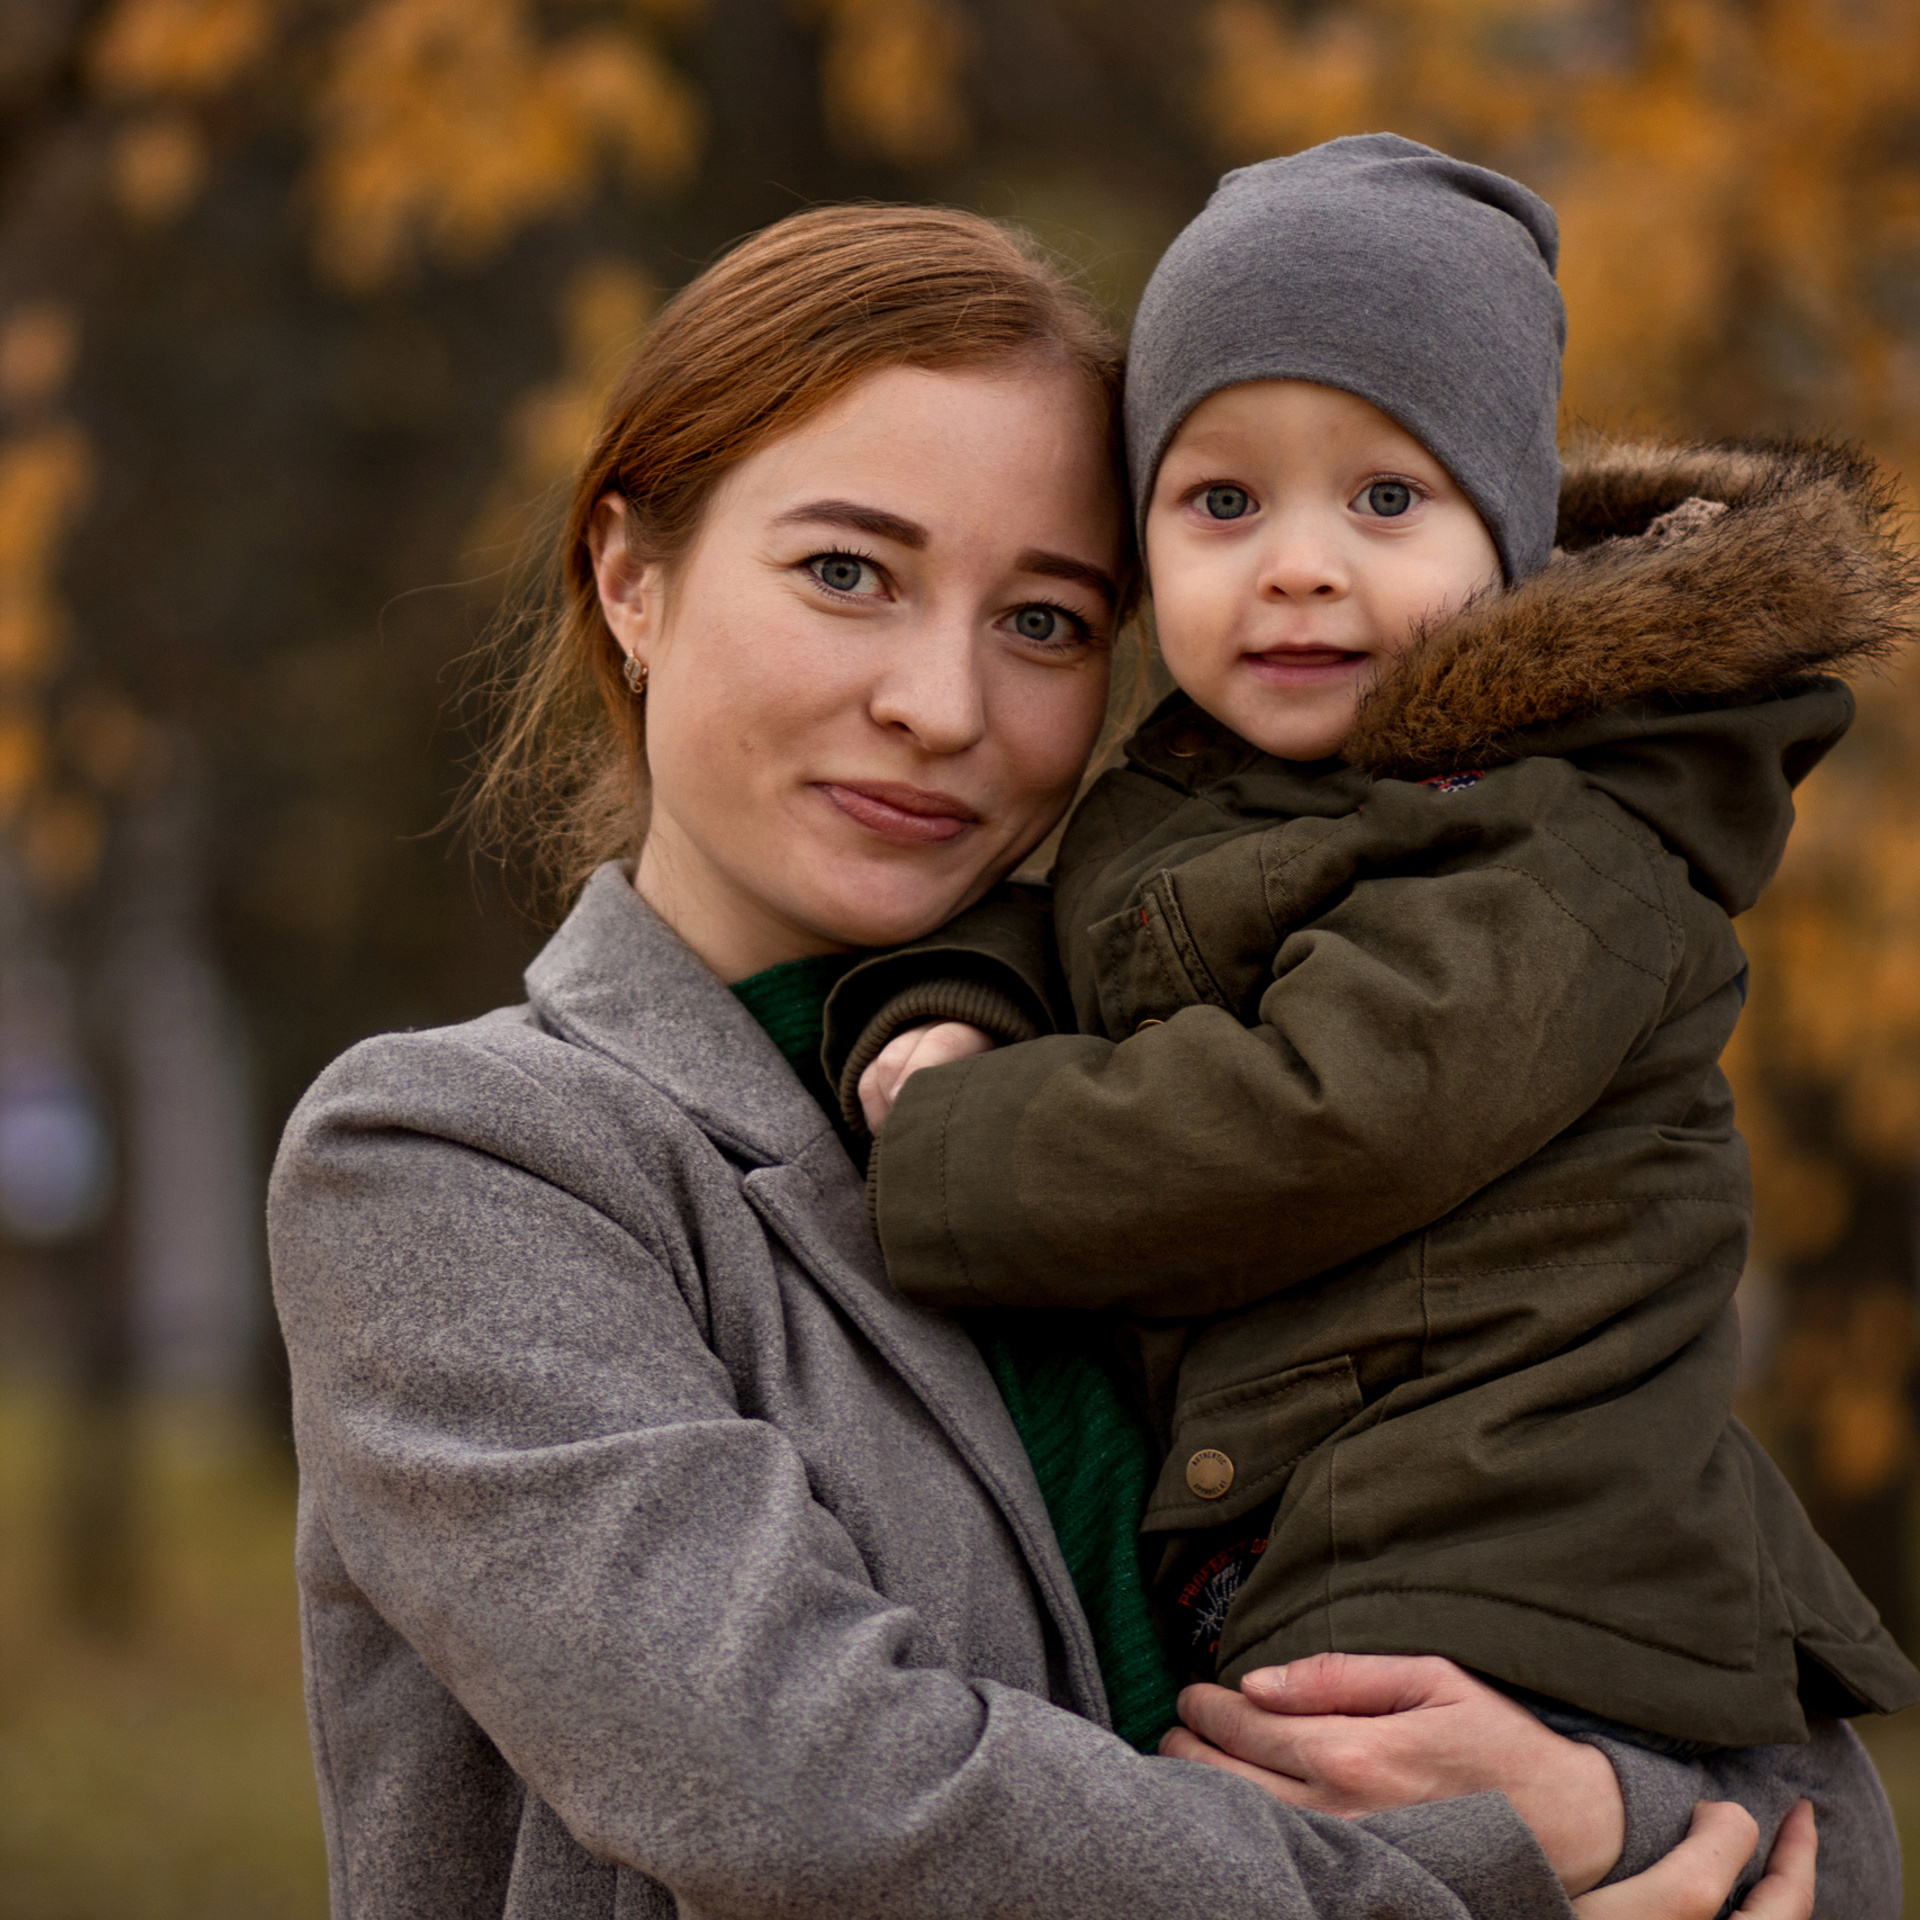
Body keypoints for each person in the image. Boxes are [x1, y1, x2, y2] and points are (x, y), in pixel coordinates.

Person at [270, 200, 1826, 1919]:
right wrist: (1505, 1866)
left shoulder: (1239, 1105)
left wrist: (1607, 1794)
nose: (942, 703)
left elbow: (1809, 1794)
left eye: (1047, 622)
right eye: (848, 574)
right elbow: (818, 1794)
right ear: (632, 581)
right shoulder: (457, 1163)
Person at [846, 141, 1919, 1913]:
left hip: (1503, 1566)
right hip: (1359, 1529)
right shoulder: (1219, 790)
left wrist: (959, 1149)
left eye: (1386, 503)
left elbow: (1330, 1113)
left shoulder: (1557, 839)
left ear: (1508, 533)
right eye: (1222, 505)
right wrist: (951, 996)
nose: (1299, 569)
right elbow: (1077, 947)